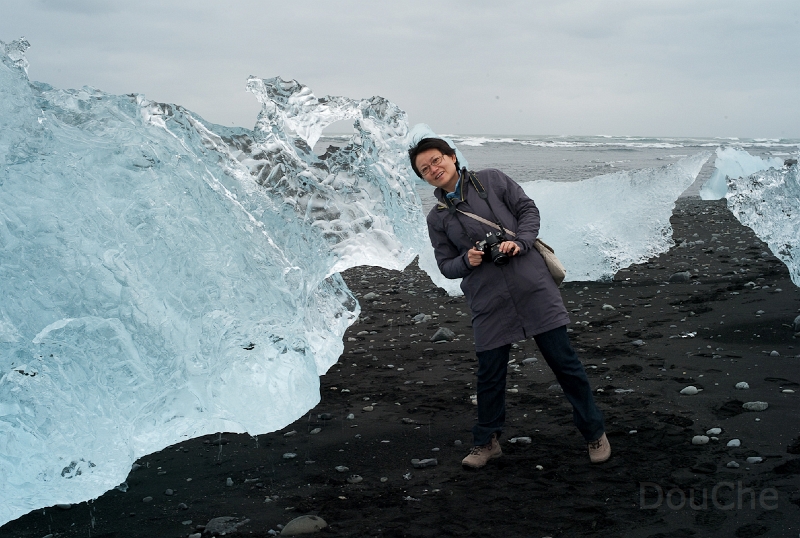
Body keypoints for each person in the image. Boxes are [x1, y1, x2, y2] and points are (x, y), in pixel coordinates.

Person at [408, 137, 610, 469]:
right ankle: (487, 442)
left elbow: (527, 210)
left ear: (452, 157)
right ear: (423, 177)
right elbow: (446, 265)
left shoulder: (492, 180)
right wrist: (467, 260)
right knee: (489, 374)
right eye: (425, 169)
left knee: (565, 363)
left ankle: (594, 433)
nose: (433, 169)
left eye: (436, 160)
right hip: (488, 298)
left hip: (532, 285)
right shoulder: (437, 218)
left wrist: (521, 241)